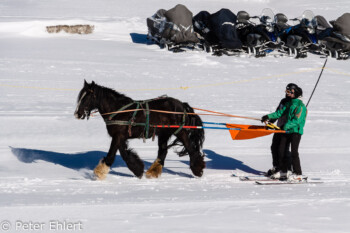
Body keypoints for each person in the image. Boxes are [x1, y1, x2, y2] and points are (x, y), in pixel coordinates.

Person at [261, 83, 307, 181]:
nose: (287, 93)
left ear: (296, 93)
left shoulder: (300, 106)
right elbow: (279, 112)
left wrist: (285, 126)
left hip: (295, 131)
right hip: (286, 131)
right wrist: (268, 117)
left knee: (294, 152)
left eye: (289, 92)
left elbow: (297, 121)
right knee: (280, 149)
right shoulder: (288, 103)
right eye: (286, 91)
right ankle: (283, 170)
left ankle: (298, 173)